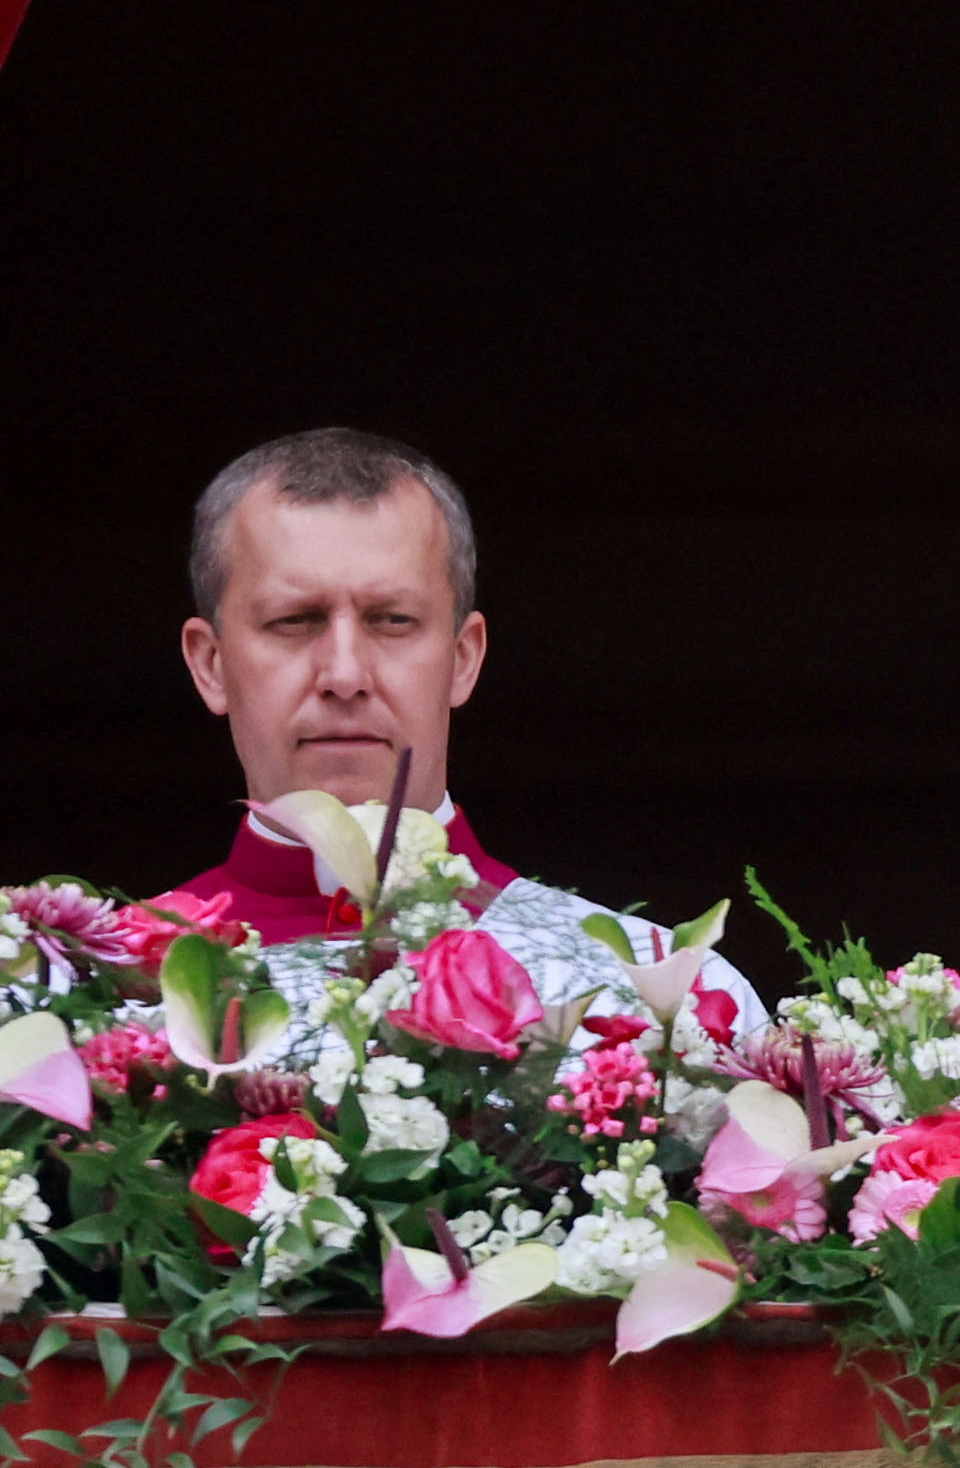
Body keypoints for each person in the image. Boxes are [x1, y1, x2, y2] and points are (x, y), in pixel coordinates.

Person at [156, 427, 759, 1027]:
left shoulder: (670, 996)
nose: (343, 674)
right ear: (210, 665)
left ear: (463, 658)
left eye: (393, 619)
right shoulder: (99, 997)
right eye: (293, 620)